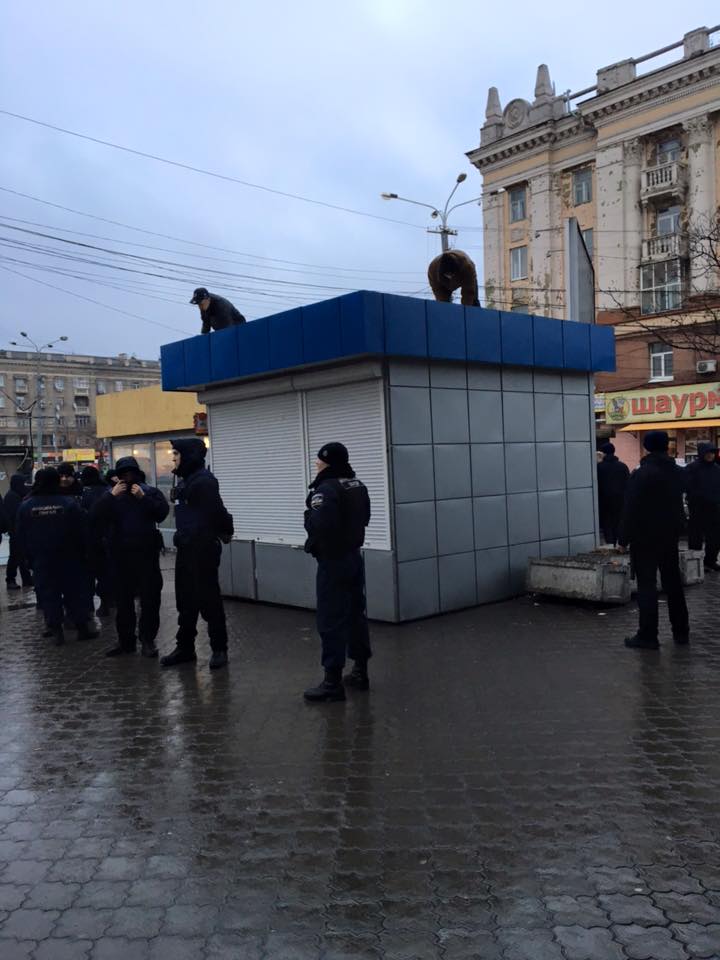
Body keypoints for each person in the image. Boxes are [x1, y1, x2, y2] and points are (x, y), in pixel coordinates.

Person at [303, 442, 372, 703]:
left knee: (331, 619)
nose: (317, 464)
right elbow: (365, 518)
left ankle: (332, 682)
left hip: (333, 561)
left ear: (328, 462)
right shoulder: (357, 485)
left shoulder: (326, 489)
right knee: (356, 615)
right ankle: (360, 672)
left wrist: (307, 516)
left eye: (319, 460)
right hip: (354, 557)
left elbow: (319, 524)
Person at [161, 438, 234, 670]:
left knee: (209, 600)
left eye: (177, 454)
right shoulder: (187, 480)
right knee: (186, 601)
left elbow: (218, 512)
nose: (173, 458)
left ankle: (219, 649)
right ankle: (185, 648)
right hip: (186, 548)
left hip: (202, 550)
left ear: (189, 455)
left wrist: (225, 531)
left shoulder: (203, 482)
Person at [91, 457, 169, 658]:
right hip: (120, 556)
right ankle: (126, 641)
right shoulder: (112, 495)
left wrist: (144, 498)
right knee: (123, 601)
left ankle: (147, 640)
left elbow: (161, 513)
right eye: (123, 474)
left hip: (146, 555)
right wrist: (110, 496)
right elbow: (94, 517)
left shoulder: (149, 492)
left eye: (130, 473)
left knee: (150, 599)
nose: (127, 477)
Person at [619, 430, 689, 650]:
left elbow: (631, 508)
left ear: (647, 447)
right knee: (673, 583)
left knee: (647, 585)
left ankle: (648, 635)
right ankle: (681, 631)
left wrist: (623, 538)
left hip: (644, 537)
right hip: (670, 535)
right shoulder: (678, 472)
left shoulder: (642, 474)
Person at [15, 468, 98, 646]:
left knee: (48, 594)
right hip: (70, 557)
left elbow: (20, 536)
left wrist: (28, 559)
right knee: (75, 593)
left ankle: (56, 631)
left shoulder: (26, 506)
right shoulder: (68, 503)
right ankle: (82, 629)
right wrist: (85, 554)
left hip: (42, 559)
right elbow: (83, 531)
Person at [80, 466, 114, 617]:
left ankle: (91, 606)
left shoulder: (86, 494)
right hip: (108, 538)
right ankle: (107, 601)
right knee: (105, 573)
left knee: (90, 574)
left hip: (91, 540)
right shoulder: (108, 490)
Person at [685, 441, 720, 571]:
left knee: (715, 537)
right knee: (695, 537)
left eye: (713, 452)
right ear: (701, 453)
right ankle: (696, 562)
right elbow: (687, 486)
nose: (711, 455)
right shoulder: (692, 468)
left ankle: (710, 560)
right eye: (708, 452)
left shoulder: (717, 469)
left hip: (714, 508)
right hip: (697, 508)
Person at [3, 473, 33, 590]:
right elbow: (15, 515)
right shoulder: (12, 497)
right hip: (16, 532)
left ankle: (27, 579)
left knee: (22, 557)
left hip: (20, 532)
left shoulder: (17, 495)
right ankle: (11, 579)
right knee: (15, 557)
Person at [597, 442, 630, 546]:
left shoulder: (599, 467)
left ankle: (610, 544)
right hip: (620, 500)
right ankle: (619, 543)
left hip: (604, 500)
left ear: (603, 453)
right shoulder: (623, 466)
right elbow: (628, 483)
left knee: (607, 523)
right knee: (619, 522)